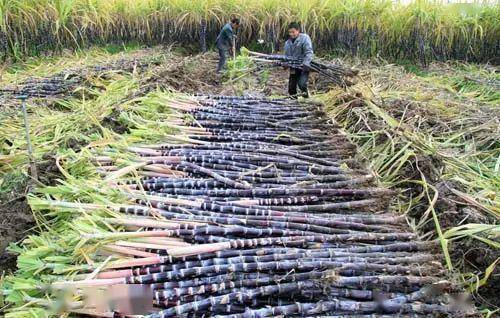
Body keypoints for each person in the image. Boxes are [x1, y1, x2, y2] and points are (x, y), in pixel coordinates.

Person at [284, 22, 313, 98]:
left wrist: (306, 62)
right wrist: (285, 64)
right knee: (291, 88)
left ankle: (306, 99)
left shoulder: (305, 38)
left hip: (303, 67)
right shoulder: (287, 43)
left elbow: (309, 52)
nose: (291, 34)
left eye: (293, 32)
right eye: (290, 32)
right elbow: (287, 57)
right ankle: (294, 105)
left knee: (302, 84)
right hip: (293, 68)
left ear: (298, 31)